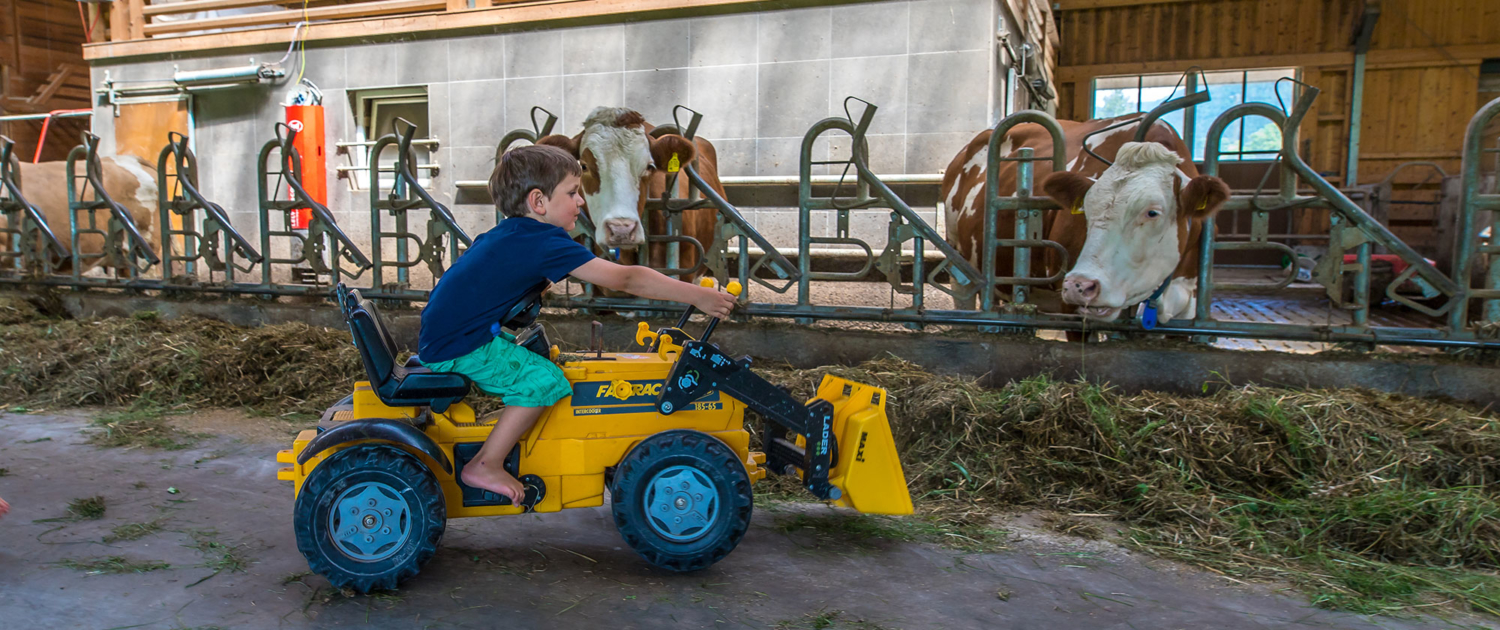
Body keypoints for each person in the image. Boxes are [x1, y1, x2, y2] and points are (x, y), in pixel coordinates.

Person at [418, 145, 735, 504]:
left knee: (543, 365)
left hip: (449, 336)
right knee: (543, 380)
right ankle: (484, 464)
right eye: (572, 192)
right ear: (538, 202)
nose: (581, 201)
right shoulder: (543, 242)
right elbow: (626, 279)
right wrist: (696, 295)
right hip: (460, 347)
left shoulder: (515, 234)